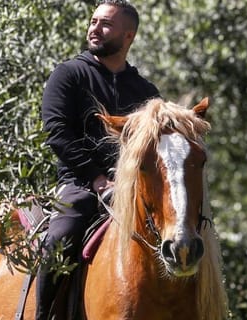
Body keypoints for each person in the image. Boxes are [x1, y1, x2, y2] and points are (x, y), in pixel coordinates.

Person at [38, 0, 160, 318]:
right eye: (94, 21)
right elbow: (57, 132)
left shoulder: (145, 91)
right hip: (81, 185)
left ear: (128, 35)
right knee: (60, 240)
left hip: (133, 189)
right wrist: (97, 177)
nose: (95, 28)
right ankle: (44, 313)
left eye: (106, 24)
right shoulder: (69, 75)